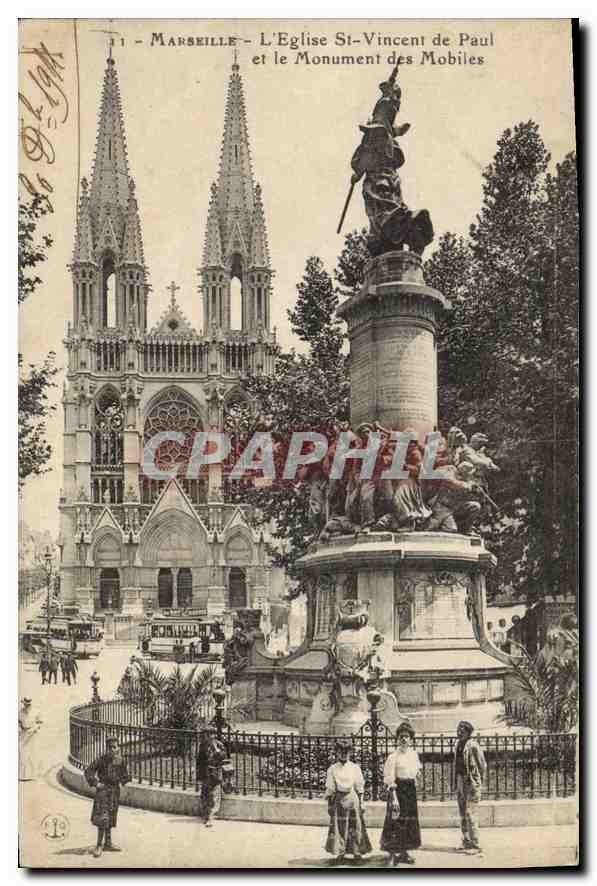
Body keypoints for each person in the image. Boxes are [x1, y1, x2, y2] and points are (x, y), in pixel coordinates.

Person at [381, 721, 422, 865]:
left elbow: (417, 771)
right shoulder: (393, 757)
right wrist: (394, 797)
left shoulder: (414, 755)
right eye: (401, 737)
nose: (404, 739)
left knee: (408, 823)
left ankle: (404, 852)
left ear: (411, 739)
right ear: (397, 739)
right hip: (398, 791)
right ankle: (392, 854)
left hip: (410, 792)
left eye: (407, 736)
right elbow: (389, 778)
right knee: (395, 822)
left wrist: (416, 778)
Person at [324, 740, 372, 864]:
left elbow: (359, 786)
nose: (344, 754)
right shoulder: (332, 769)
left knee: (356, 825)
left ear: (350, 753)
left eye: (346, 752)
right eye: (341, 752)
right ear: (337, 753)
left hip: (353, 799)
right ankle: (340, 853)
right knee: (340, 827)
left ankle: (357, 853)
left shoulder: (354, 768)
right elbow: (330, 788)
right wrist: (330, 805)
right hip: (339, 801)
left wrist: (361, 803)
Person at [85, 737, 130, 857]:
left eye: (115, 747)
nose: (112, 750)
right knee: (102, 818)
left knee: (111, 817)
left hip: (114, 792)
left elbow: (125, 775)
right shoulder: (101, 760)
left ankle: (108, 843)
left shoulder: (121, 760)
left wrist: (123, 781)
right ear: (106, 749)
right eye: (110, 747)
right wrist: (95, 783)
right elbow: (89, 771)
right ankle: (99, 845)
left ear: (118, 748)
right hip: (103, 792)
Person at [454, 720, 487, 854]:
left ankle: (476, 844)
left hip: (471, 782)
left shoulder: (473, 745)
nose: (459, 732)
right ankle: (466, 841)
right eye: (458, 729)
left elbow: (482, 765)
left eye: (463, 730)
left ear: (468, 733)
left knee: (470, 813)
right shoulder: (458, 745)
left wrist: (478, 782)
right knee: (462, 812)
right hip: (460, 780)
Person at [196, 725, 226, 827]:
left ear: (212, 735)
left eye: (206, 735)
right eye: (204, 735)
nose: (204, 737)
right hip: (205, 773)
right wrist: (198, 774)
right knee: (204, 794)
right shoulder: (203, 746)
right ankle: (206, 814)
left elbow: (223, 757)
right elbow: (199, 761)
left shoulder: (219, 745)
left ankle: (210, 817)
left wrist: (216, 750)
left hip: (215, 773)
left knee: (213, 795)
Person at [19, 698, 42, 780]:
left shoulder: (36, 711)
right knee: (23, 754)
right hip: (24, 734)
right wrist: (20, 728)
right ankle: (23, 776)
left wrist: (36, 728)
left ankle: (33, 775)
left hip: (33, 735)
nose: (26, 706)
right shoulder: (20, 712)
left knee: (33, 754)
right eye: (25, 704)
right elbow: (19, 722)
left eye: (28, 704)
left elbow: (40, 722)